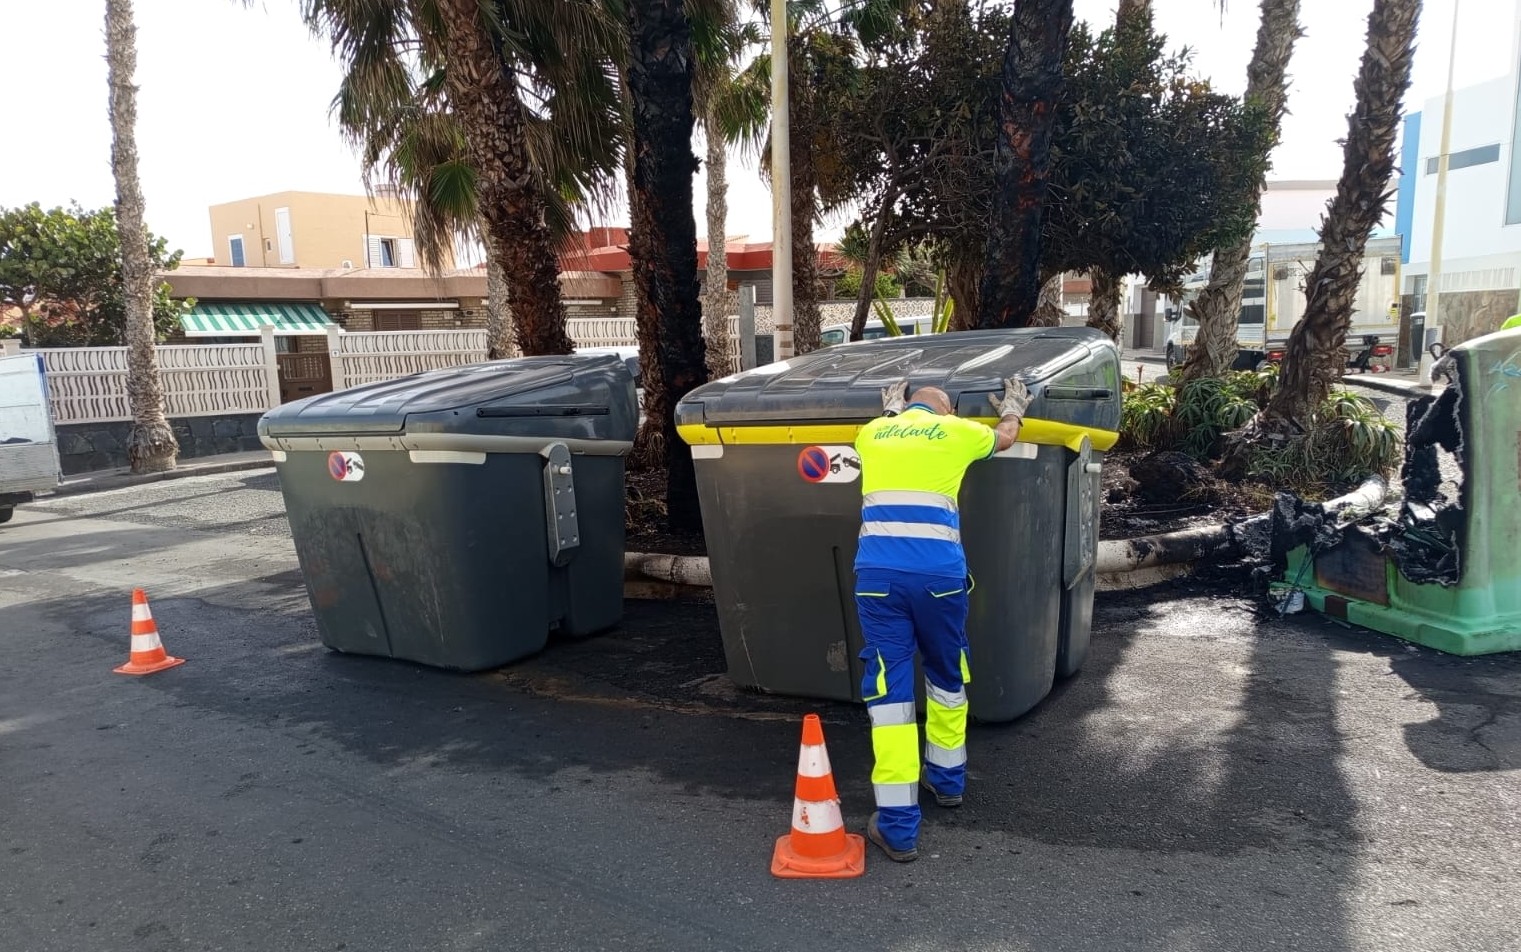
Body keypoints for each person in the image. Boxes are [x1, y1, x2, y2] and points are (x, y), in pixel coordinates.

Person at [852, 377, 1032, 862]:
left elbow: (889, 428)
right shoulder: (958, 431)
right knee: (946, 674)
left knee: (888, 693)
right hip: (939, 579)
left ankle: (898, 827)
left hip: (878, 578)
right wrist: (1013, 407)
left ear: (904, 405)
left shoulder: (871, 432)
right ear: (945, 409)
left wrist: (889, 410)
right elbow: (1007, 437)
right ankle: (947, 781)